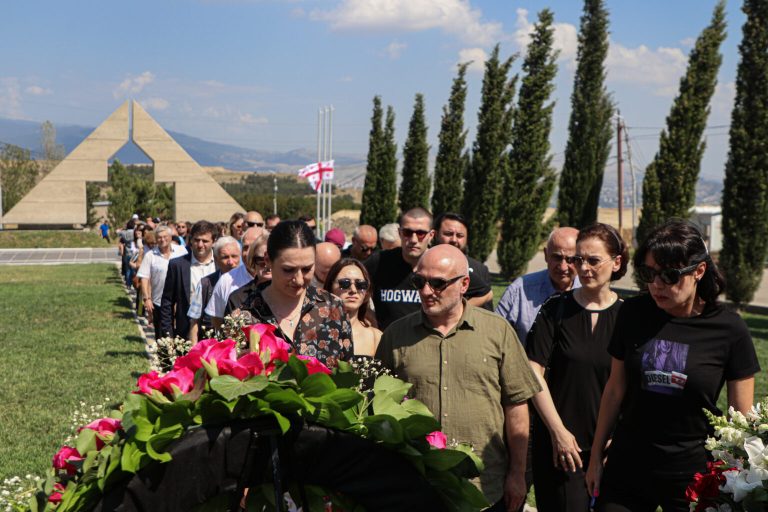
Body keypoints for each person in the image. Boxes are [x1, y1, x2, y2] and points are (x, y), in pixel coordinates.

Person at [585, 220, 760, 512]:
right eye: (649, 274)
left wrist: (735, 476)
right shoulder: (632, 313)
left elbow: (739, 418)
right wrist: (594, 459)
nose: (656, 285)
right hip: (628, 463)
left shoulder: (729, 329)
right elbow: (615, 389)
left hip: (692, 474)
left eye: (669, 275)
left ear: (699, 271)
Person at [376, 244, 541, 510]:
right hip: (418, 486)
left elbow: (517, 406)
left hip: (484, 488)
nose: (426, 291)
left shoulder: (497, 332)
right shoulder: (396, 336)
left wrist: (517, 474)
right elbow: (379, 407)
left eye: (438, 283)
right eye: (419, 281)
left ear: (464, 284)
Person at [525, 223, 627, 512]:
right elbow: (534, 372)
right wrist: (558, 432)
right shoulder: (554, 310)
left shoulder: (628, 317)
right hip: (561, 449)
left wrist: (616, 437)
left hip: (608, 448)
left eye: (593, 260)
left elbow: (633, 385)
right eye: (578, 259)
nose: (583, 268)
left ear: (616, 262)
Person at [230, 220, 353, 368]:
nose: (299, 280)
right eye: (288, 270)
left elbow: (347, 375)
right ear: (268, 261)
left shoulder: (333, 308)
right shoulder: (243, 318)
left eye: (307, 269)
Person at [496, 227, 581, 346]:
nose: (563, 267)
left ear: (580, 259)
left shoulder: (589, 293)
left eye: (570, 259)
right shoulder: (520, 290)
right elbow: (494, 336)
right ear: (546, 255)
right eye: (557, 257)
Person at [363, 207, 434, 330]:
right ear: (399, 233)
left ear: (431, 235)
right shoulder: (380, 262)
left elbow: (478, 292)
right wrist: (369, 316)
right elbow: (348, 282)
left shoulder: (442, 263)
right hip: (387, 345)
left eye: (420, 233)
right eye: (407, 232)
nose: (413, 240)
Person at [159, 221, 218, 339]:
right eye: (197, 240)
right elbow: (167, 302)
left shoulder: (221, 264)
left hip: (215, 332)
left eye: (205, 241)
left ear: (214, 241)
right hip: (186, 332)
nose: (200, 245)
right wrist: (168, 335)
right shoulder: (177, 265)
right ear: (190, 240)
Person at [433, 212, 494, 310]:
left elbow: (486, 312)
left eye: (460, 235)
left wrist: (459, 312)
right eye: (448, 234)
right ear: (435, 235)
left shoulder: (479, 270)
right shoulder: (425, 265)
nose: (454, 240)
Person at [206, 227, 262, 330]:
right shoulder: (226, 280)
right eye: (245, 247)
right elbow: (217, 320)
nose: (248, 252)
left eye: (254, 246)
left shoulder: (278, 278)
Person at [188, 236, 241, 343]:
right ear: (216, 260)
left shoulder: (249, 282)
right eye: (225, 257)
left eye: (234, 256)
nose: (230, 262)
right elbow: (194, 321)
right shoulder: (206, 284)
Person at [137, 225, 187, 338]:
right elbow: (144, 278)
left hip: (181, 301)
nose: (162, 239)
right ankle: (164, 355)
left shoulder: (181, 251)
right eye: (159, 237)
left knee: (181, 334)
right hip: (159, 302)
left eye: (165, 236)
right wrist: (147, 299)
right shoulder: (150, 255)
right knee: (162, 335)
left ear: (170, 237)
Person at [324, 258, 381, 357]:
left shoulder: (376, 337)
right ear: (330, 286)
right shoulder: (314, 331)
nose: (353, 290)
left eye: (361, 284)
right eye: (345, 283)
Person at [223, 234, 273, 315]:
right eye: (261, 260)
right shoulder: (237, 297)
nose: (267, 265)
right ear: (253, 261)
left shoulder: (291, 293)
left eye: (271, 259)